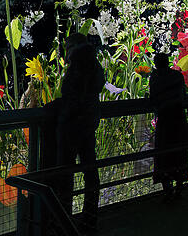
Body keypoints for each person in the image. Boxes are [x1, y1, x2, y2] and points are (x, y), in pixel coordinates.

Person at [55, 33, 106, 231]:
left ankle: (64, 219)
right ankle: (90, 217)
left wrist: (63, 112)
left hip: (71, 126)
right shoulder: (95, 66)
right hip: (89, 124)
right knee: (90, 171)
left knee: (65, 174)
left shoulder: (77, 65)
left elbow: (71, 96)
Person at [149, 52, 188, 198]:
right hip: (179, 118)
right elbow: (183, 96)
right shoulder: (177, 76)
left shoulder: (155, 78)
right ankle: (179, 186)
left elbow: (153, 99)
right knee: (179, 151)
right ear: (168, 62)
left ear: (156, 64)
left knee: (163, 153)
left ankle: (167, 190)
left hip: (165, 120)